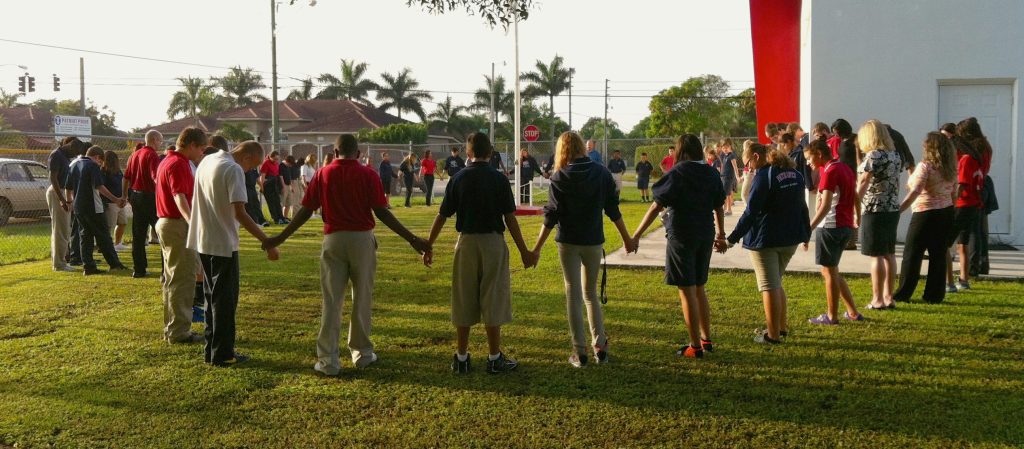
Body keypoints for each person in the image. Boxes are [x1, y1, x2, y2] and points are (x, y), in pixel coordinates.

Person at [263, 134, 430, 376]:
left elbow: (305, 210)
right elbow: (382, 212)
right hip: (362, 239)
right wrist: (412, 239)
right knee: (362, 297)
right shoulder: (368, 174)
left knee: (332, 300)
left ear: (334, 151)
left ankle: (328, 361)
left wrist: (280, 237)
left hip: (333, 239)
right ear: (358, 153)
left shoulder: (323, 173)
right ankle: (362, 354)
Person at [422, 132, 538, 374]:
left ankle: (461, 357)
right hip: (493, 242)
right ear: (491, 152)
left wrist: (428, 244)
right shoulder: (499, 179)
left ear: (468, 152)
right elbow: (510, 218)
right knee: (493, 297)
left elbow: (442, 216)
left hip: (465, 243)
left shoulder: (458, 178)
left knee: (463, 297)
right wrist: (524, 251)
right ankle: (494, 357)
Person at [530, 131, 634, 367]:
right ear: (582, 147)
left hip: (568, 242)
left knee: (573, 295)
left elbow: (551, 217)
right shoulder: (601, 172)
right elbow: (613, 209)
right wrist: (627, 239)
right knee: (590, 295)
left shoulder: (560, 176)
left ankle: (580, 351)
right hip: (593, 241)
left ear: (562, 150)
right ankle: (600, 346)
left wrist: (536, 250)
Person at [631, 134, 726, 359]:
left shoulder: (678, 172)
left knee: (686, 290)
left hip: (682, 235)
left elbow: (656, 206)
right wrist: (721, 235)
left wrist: (636, 235)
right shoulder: (711, 173)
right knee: (699, 287)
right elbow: (719, 206)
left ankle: (695, 346)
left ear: (681, 151)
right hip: (705, 233)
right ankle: (706, 339)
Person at [187, 141, 280, 366]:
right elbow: (240, 212)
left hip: (203, 239)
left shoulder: (207, 160)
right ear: (246, 157)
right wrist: (267, 242)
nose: (250, 170)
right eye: (253, 165)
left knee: (211, 298)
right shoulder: (233, 168)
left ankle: (212, 350)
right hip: (223, 244)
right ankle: (223, 354)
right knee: (225, 302)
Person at [727, 142, 810, 344]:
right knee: (776, 283)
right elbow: (802, 206)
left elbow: (751, 212)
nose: (748, 168)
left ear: (756, 156)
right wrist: (806, 232)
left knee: (769, 286)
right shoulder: (795, 174)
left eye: (748, 163)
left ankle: (772, 335)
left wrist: (731, 239)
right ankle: (780, 328)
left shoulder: (764, 176)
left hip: (766, 240)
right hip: (790, 238)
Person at [803, 139, 863, 323]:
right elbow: (855, 195)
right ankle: (853, 312)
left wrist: (808, 229)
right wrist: (857, 217)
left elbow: (826, 205)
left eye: (809, 158)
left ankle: (832, 317)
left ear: (819, 154)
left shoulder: (830, 172)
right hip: (845, 227)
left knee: (828, 272)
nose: (808, 162)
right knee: (833, 270)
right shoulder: (845, 168)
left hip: (830, 227)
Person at [156, 127, 207, 344]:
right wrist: (192, 222)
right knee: (183, 279)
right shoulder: (179, 163)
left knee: (173, 279)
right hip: (177, 224)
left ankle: (172, 328)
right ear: (192, 145)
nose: (202, 153)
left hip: (167, 223)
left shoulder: (167, 160)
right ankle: (179, 332)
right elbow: (179, 196)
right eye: (201, 148)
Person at [892, 132, 957, 303]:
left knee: (912, 254)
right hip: (946, 212)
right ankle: (934, 295)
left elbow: (916, 190)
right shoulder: (950, 168)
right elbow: (954, 193)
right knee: (938, 254)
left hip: (925, 213)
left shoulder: (925, 166)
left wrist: (899, 210)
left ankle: (903, 293)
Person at [855, 119, 902, 310]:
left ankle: (877, 299)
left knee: (876, 255)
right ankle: (889, 297)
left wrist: (854, 205)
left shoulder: (873, 155)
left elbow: (864, 181)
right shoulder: (895, 155)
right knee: (889, 253)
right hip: (891, 208)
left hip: (874, 208)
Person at [65, 146, 128, 276]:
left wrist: (69, 201)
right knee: (103, 235)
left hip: (78, 207)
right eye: (100, 162)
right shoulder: (92, 165)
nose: (100, 165)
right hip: (93, 206)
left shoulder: (74, 163)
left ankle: (88, 266)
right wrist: (115, 199)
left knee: (85, 236)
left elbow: (68, 187)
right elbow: (99, 186)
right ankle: (114, 264)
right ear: (97, 157)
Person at [950, 126, 986, 291]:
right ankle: (964, 279)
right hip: (973, 204)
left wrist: (952, 202)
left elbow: (962, 184)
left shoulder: (965, 160)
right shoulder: (975, 159)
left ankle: (948, 281)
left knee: (946, 242)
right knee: (962, 243)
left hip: (963, 204)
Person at [958, 118, 994, 278]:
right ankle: (982, 263)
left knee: (972, 230)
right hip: (983, 185)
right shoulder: (985, 145)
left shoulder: (973, 148)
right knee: (980, 229)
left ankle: (972, 267)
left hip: (973, 187)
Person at [123, 131, 163, 278]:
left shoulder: (134, 155)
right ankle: (166, 270)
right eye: (159, 141)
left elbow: (126, 177)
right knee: (162, 232)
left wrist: (124, 195)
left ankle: (139, 269)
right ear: (154, 140)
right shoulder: (152, 155)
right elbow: (155, 177)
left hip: (135, 195)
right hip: (149, 196)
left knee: (138, 235)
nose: (160, 144)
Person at [47, 137, 88, 272]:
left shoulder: (64, 156)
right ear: (71, 146)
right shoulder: (56, 154)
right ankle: (59, 264)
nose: (75, 155)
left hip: (63, 192)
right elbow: (53, 178)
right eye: (75, 152)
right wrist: (62, 199)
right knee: (61, 230)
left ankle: (60, 261)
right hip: (57, 192)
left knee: (63, 229)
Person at [787, 123, 818, 221]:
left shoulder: (805, 140)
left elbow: (806, 165)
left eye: (793, 135)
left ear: (796, 130)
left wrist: (809, 185)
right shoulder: (803, 141)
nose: (794, 138)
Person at [101, 150, 128, 251]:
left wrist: (124, 198)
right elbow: (102, 187)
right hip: (110, 202)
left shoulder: (118, 171)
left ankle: (117, 243)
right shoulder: (103, 171)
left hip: (120, 201)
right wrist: (114, 199)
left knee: (123, 222)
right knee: (110, 225)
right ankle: (105, 246)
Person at [259, 151, 287, 224]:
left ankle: (281, 218)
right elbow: (262, 176)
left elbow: (277, 175)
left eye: (277, 159)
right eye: (274, 159)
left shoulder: (276, 163)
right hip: (268, 186)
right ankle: (276, 219)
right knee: (272, 203)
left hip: (275, 185)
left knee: (277, 202)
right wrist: (262, 186)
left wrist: (282, 186)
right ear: (270, 157)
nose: (276, 160)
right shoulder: (266, 163)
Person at [718, 139, 739, 215]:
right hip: (724, 177)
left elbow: (735, 167)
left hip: (729, 177)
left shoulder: (731, 156)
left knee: (726, 194)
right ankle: (727, 209)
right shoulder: (725, 156)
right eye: (723, 148)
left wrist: (737, 176)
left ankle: (727, 209)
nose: (725, 149)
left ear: (730, 147)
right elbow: (723, 167)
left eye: (726, 147)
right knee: (727, 193)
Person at [279, 155, 295, 220]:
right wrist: (283, 186)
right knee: (282, 203)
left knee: (288, 203)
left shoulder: (288, 167)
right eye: (290, 164)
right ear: (287, 161)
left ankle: (285, 217)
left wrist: (291, 186)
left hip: (288, 186)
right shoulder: (281, 165)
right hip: (284, 185)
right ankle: (280, 217)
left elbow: (289, 177)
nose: (290, 166)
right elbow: (281, 177)